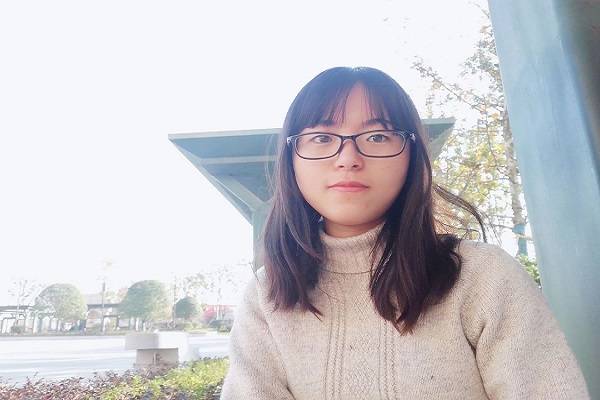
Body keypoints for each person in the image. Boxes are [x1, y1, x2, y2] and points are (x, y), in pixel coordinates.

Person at [219, 66, 590, 399]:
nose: (348, 158)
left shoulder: (482, 277)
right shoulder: (266, 297)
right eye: (321, 137)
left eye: (377, 137)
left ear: (412, 156)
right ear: (291, 160)